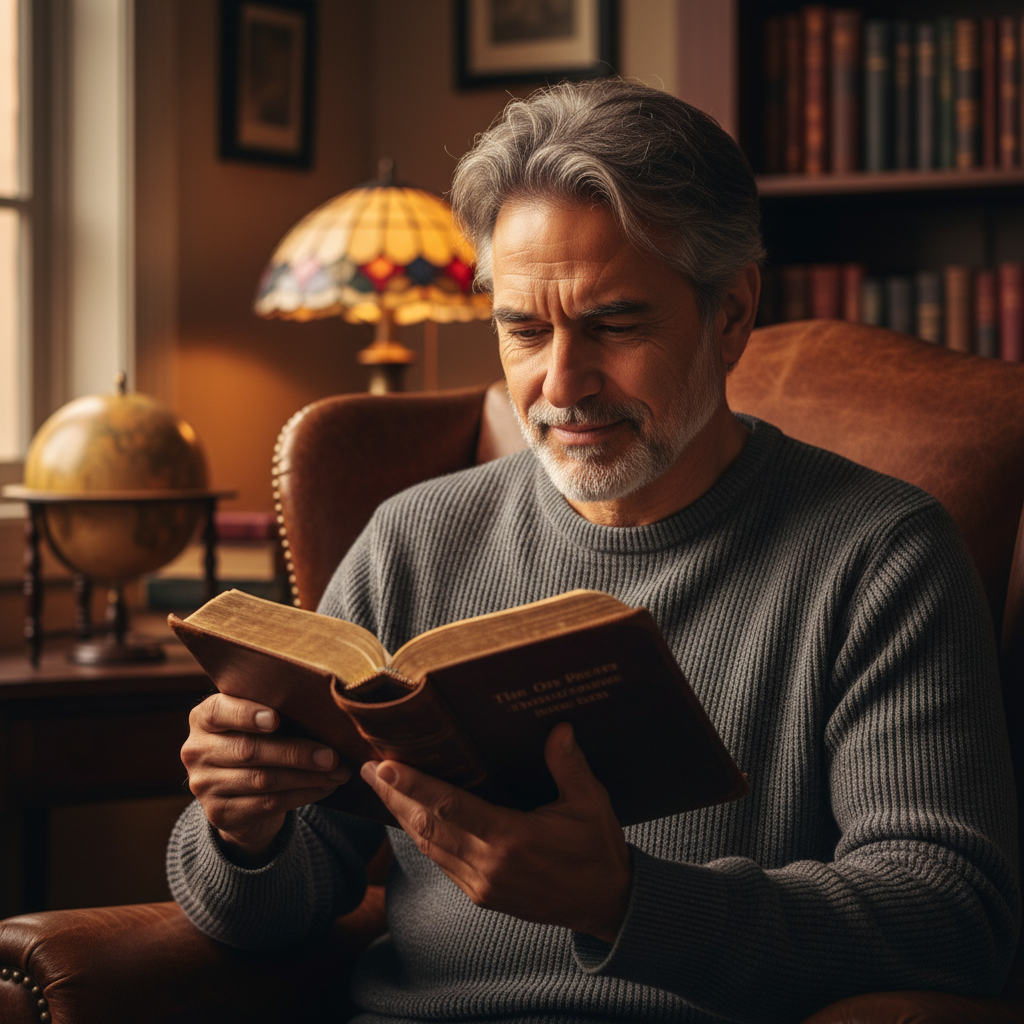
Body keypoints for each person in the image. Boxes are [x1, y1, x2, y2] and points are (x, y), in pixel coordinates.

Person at [168, 79, 1020, 1023]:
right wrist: (241, 833)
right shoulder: (411, 538)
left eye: (615, 326)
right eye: (523, 330)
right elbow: (268, 917)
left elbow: (954, 916)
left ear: (731, 313)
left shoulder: (880, 555)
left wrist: (624, 902)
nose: (561, 384)